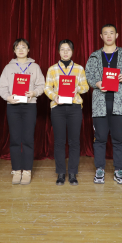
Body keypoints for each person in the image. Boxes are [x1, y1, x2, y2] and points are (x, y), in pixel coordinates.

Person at [85, 24, 122, 185]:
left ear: (117, 35)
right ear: (101, 36)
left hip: (119, 104)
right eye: (105, 33)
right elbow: (88, 75)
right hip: (100, 103)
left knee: (119, 138)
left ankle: (118, 169)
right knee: (100, 138)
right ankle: (99, 169)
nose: (108, 36)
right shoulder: (94, 56)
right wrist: (97, 83)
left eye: (111, 33)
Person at [0, 38, 46, 185]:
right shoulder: (8, 68)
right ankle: (16, 170)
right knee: (14, 139)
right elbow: (2, 87)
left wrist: (34, 93)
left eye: (23, 47)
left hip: (29, 106)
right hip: (13, 106)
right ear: (14, 50)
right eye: (17, 47)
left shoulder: (35, 67)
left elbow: (42, 85)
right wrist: (8, 97)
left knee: (28, 139)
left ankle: (27, 170)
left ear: (28, 50)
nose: (20, 50)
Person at [44, 39, 90, 186]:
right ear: (58, 51)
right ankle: (60, 173)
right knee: (59, 141)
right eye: (62, 49)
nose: (65, 52)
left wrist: (78, 89)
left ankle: (72, 173)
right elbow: (47, 88)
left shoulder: (79, 68)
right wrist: (54, 96)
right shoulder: (52, 69)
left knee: (74, 141)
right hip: (57, 107)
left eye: (68, 49)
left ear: (72, 51)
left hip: (74, 107)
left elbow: (86, 87)